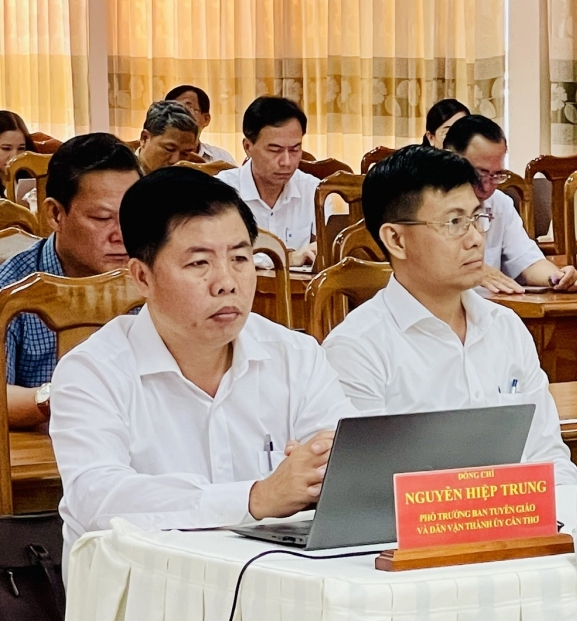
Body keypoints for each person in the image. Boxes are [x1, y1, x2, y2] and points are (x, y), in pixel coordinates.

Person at [49, 168, 355, 558]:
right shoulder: (91, 372)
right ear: (142, 277)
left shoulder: (296, 356)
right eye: (198, 264)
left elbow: (345, 464)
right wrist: (255, 498)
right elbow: (97, 497)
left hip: (275, 579)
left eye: (240, 258)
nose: (227, 281)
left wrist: (324, 471)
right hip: (147, 585)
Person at [322, 145, 577, 486]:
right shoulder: (357, 349)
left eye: (477, 218)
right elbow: (367, 489)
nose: (475, 239)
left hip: (518, 517)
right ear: (396, 240)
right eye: (455, 222)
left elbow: (550, 458)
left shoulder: (506, 328)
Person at [0, 133, 140, 429]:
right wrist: (67, 394)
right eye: (102, 218)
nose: (122, 234)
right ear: (54, 214)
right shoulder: (12, 286)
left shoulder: (154, 275)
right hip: (46, 445)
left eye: (132, 215)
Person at [443, 115, 577, 293]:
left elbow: (526, 259)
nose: (487, 187)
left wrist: (558, 278)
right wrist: (471, 270)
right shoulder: (425, 203)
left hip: (488, 305)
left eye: (496, 175)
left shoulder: (499, 203)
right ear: (450, 160)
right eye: (480, 174)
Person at [217, 96, 320, 266]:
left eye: (294, 150)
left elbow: (328, 251)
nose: (286, 162)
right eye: (275, 150)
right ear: (248, 147)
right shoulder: (222, 192)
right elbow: (219, 257)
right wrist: (285, 259)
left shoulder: (314, 190)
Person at [166, 84, 236, 165]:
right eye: (174, 111)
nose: (180, 117)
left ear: (206, 119)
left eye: (187, 109)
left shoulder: (222, 158)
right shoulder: (157, 156)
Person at [136, 100, 200, 173]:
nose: (176, 161)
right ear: (145, 138)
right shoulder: (125, 170)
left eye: (185, 153)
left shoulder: (195, 172)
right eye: (169, 149)